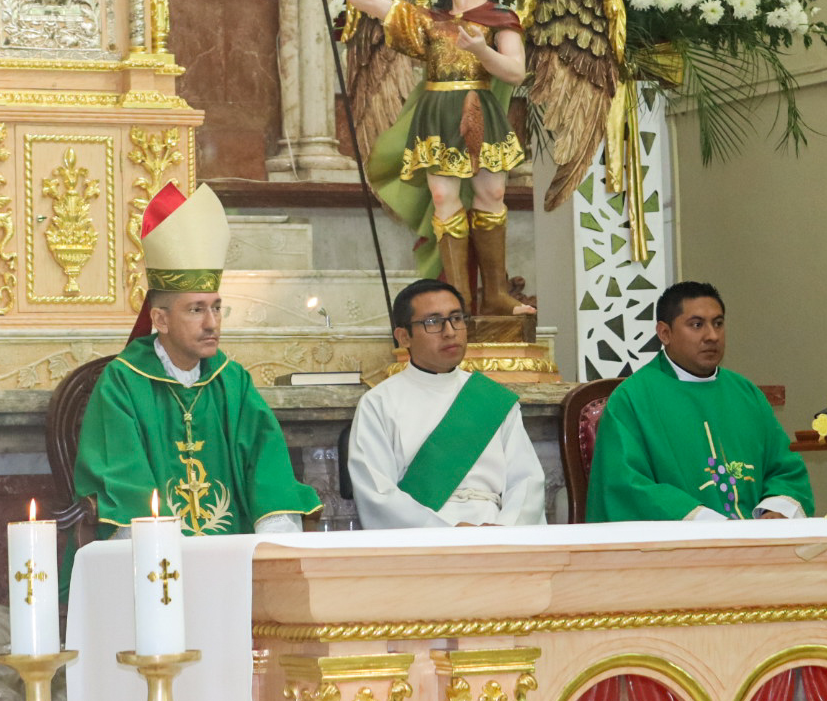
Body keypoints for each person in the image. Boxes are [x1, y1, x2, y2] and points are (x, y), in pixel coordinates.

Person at [73, 182, 322, 540]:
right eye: (195, 310)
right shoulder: (122, 382)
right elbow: (120, 478)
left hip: (232, 556)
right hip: (155, 563)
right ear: (160, 320)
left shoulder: (232, 381)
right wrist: (167, 553)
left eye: (216, 308)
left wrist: (271, 544)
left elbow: (268, 467)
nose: (212, 323)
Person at [306, 0, 528, 314]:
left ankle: (495, 294)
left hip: (479, 108)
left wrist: (479, 50)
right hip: (437, 111)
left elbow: (516, 72)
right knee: (443, 198)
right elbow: (371, 2)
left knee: (491, 196)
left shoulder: (499, 17)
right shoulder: (430, 20)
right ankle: (457, 299)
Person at [587, 281, 814, 522]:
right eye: (697, 325)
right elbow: (625, 485)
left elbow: (785, 469)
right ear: (665, 333)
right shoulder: (632, 400)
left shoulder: (746, 394)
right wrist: (707, 523)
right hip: (682, 550)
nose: (712, 336)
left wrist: (775, 510)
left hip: (756, 543)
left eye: (718, 323)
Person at [349, 278, 546, 527]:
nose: (450, 331)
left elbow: (527, 481)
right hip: (423, 538)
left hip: (495, 532)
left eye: (457, 318)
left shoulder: (491, 398)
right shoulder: (379, 403)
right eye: (433, 322)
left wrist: (503, 531)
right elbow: (376, 492)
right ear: (403, 337)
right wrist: (447, 531)